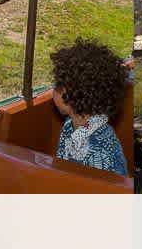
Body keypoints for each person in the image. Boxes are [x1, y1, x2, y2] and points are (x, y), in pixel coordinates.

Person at [51, 39, 129, 176]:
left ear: (73, 96)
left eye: (57, 85)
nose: (53, 90)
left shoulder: (100, 154)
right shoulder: (69, 126)